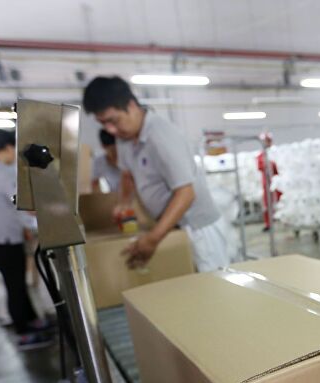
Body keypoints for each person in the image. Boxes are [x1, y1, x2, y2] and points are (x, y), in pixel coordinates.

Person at [81, 76, 230, 272]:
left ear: (131, 105)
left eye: (113, 120)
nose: (111, 130)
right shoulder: (124, 138)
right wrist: (123, 204)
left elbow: (186, 193)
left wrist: (152, 239)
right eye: (103, 124)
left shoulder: (160, 135)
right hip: (171, 226)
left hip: (197, 228)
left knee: (211, 283)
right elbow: (127, 174)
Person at [0, 129, 54, 350]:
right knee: (15, 284)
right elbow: (26, 205)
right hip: (2, 240)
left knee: (17, 282)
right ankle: (23, 333)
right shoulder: (3, 173)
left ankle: (32, 321)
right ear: (8, 148)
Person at [257, 132, 280, 232]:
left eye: (269, 141)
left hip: (278, 182)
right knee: (267, 204)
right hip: (267, 183)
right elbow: (260, 167)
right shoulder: (261, 156)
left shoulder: (275, 153)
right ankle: (269, 224)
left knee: (281, 201)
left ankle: (283, 219)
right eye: (266, 141)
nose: (267, 143)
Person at [91, 129, 122, 193]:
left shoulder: (127, 158)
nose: (115, 155)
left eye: (117, 150)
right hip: (110, 195)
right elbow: (94, 184)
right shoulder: (98, 161)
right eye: (112, 152)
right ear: (103, 146)